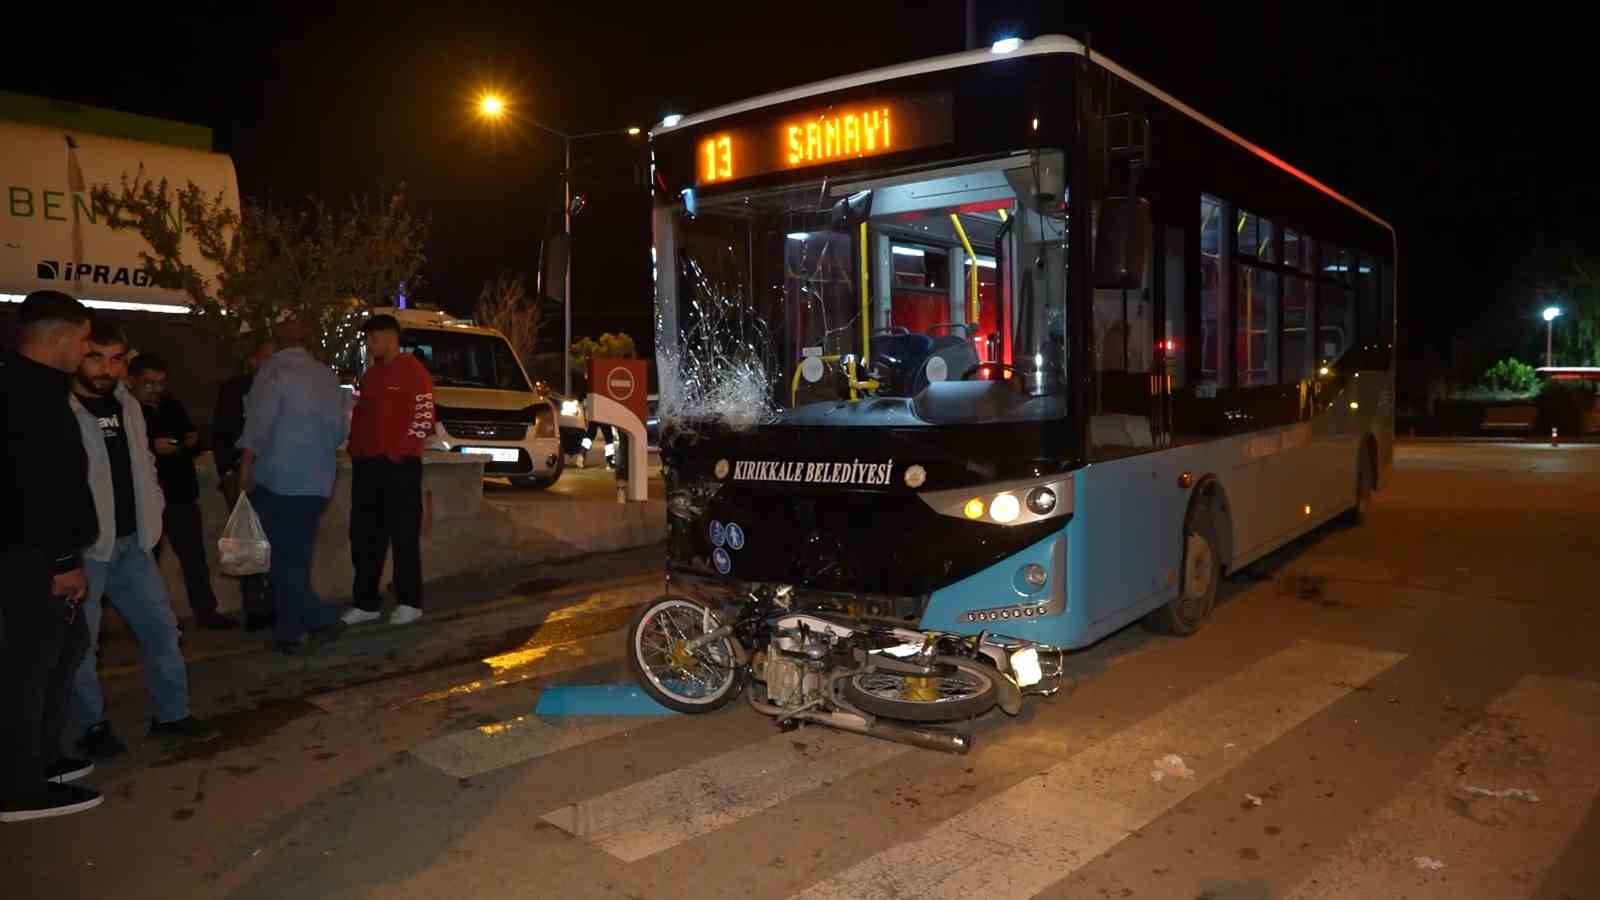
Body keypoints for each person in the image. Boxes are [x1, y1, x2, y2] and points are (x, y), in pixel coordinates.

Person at [67, 323, 217, 759]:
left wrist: (153, 518)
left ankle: (172, 715)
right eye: (96, 356)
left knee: (162, 630)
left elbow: (143, 465)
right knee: (83, 644)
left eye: (116, 359)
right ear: (77, 354)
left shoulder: (127, 404)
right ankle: (91, 725)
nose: (106, 368)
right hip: (87, 548)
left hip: (134, 542)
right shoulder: (62, 409)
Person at [0, 291, 101, 823]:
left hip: (35, 551)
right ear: (58, 337)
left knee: (63, 647)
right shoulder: (27, 394)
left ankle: (39, 758)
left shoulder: (33, 387)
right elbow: (38, 486)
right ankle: (17, 785)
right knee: (27, 665)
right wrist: (63, 560)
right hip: (31, 555)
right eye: (83, 340)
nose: (85, 350)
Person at [237, 319, 350, 655]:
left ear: (276, 341)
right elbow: (339, 432)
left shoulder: (273, 373)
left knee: (279, 560)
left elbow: (259, 425)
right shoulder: (327, 376)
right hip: (317, 481)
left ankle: (320, 618)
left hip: (279, 479)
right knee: (296, 558)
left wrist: (246, 464)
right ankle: (289, 631)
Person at [128, 353, 235, 629]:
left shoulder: (172, 405)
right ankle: (144, 621)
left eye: (161, 383)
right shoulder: (126, 410)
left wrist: (190, 440)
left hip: (180, 492)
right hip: (144, 497)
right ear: (133, 381)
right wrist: (153, 446)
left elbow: (192, 438)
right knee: (143, 563)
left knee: (194, 558)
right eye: (148, 383)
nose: (156, 389)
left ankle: (206, 611)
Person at [343, 314, 435, 626]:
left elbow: (423, 418)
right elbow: (361, 417)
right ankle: (366, 601)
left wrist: (398, 454)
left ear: (389, 336)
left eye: (373, 338)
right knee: (365, 536)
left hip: (398, 467)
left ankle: (410, 601)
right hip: (367, 466)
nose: (369, 345)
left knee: (404, 535)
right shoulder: (371, 376)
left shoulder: (413, 371)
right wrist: (356, 451)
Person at [212, 336, 276, 631]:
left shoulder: (281, 390)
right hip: (242, 475)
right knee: (248, 544)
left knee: (273, 542)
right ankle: (256, 609)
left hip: (275, 476)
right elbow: (222, 433)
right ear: (254, 359)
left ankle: (273, 603)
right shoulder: (235, 390)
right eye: (267, 357)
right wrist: (227, 471)